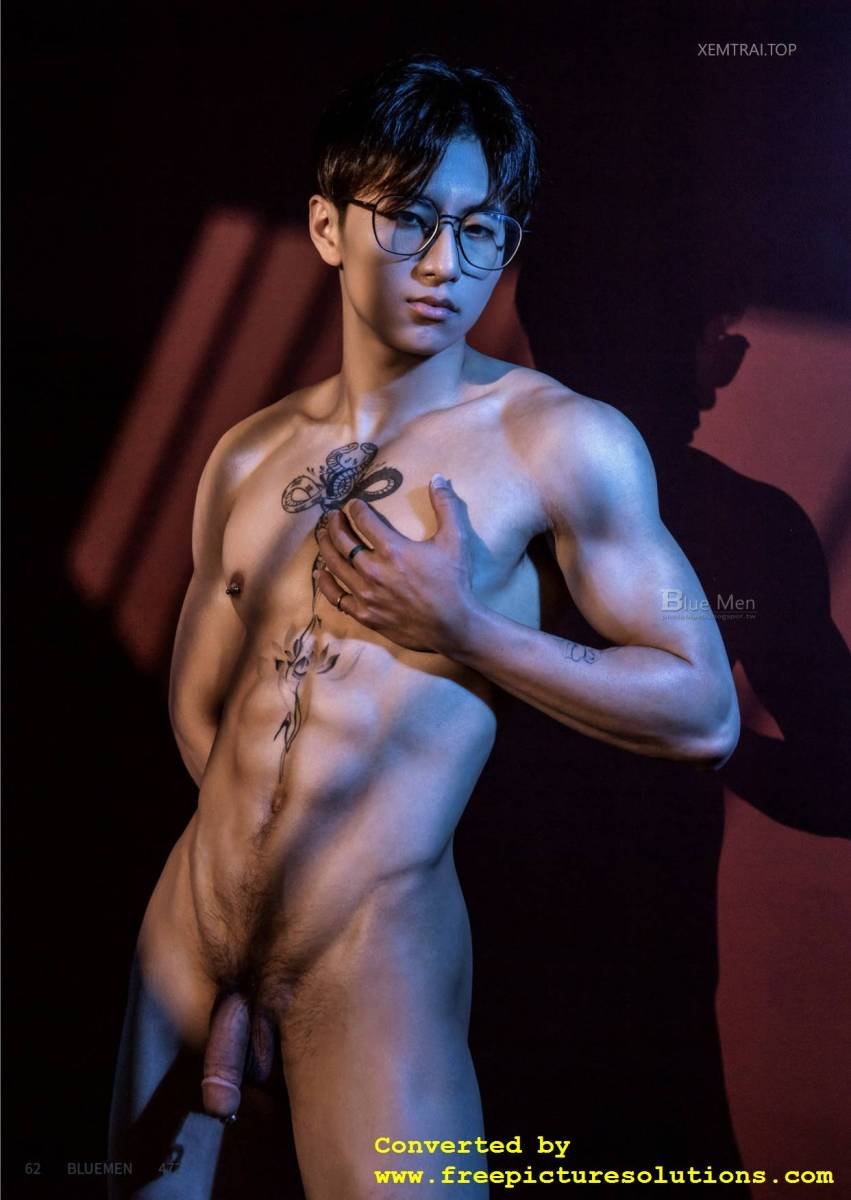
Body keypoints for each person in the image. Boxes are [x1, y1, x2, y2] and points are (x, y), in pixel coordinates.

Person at [108, 54, 740, 1198]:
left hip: (371, 962)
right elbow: (201, 709)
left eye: (482, 230)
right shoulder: (245, 456)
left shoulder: (559, 441)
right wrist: (251, 888)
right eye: (407, 219)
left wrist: (465, 630)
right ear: (326, 226)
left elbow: (702, 711)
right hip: (185, 944)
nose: (447, 264)